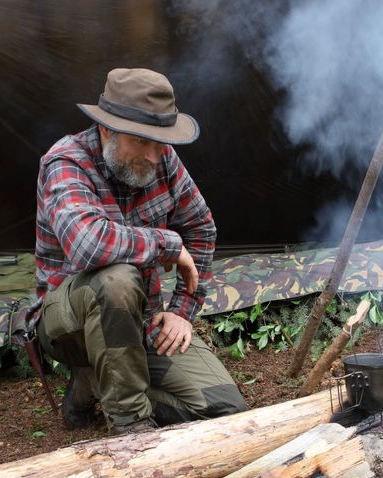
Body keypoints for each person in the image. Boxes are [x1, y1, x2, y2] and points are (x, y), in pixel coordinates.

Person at [34, 68, 247, 434]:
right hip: (68, 326)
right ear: (106, 130)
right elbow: (89, 245)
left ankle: (94, 384)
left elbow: (201, 228)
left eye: (161, 142)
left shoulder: (162, 159)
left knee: (224, 407)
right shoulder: (67, 162)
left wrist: (182, 311)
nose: (154, 155)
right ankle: (132, 426)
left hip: (141, 321)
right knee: (116, 278)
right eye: (142, 142)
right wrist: (168, 244)